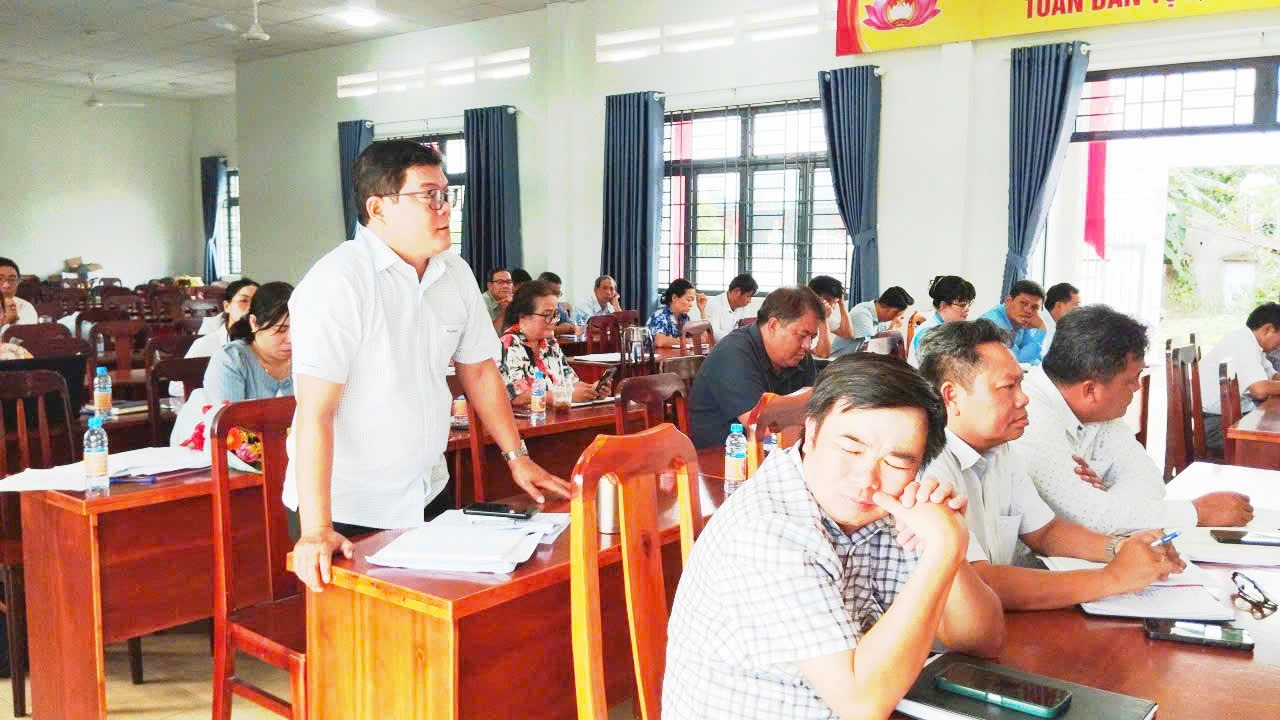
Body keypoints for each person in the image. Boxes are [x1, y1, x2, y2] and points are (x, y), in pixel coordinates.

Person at [287, 140, 567, 591]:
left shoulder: (454, 273)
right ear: (378, 208)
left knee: (437, 617)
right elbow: (315, 412)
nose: (445, 208)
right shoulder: (338, 282)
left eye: (446, 194)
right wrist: (317, 528)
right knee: (368, 635)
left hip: (428, 489)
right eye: (429, 196)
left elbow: (479, 371)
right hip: (349, 508)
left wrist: (518, 457)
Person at [664, 354, 1005, 719]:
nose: (867, 478)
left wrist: (949, 546)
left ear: (919, 465)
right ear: (811, 433)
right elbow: (862, 704)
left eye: (896, 461)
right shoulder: (768, 530)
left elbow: (982, 641)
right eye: (851, 449)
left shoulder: (895, 506)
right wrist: (941, 551)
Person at [917, 320, 1183, 610]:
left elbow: (1046, 532)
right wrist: (1114, 578)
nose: (1023, 398)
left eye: (1020, 383)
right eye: (1008, 387)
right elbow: (978, 582)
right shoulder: (928, 468)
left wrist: (1120, 547)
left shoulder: (1001, 450)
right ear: (952, 396)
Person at [1014, 305, 1253, 534]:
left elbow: (1147, 479)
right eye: (1132, 380)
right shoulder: (1028, 416)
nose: (1138, 387)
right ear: (1091, 390)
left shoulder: (1095, 409)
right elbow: (1094, 517)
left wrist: (1109, 504)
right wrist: (1196, 513)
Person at [688, 287, 822, 449]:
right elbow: (763, 429)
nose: (807, 345)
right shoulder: (733, 354)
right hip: (724, 457)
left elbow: (817, 410)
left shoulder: (800, 357)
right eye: (802, 335)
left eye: (812, 337)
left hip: (775, 454)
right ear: (773, 325)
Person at [498, 281, 610, 405]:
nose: (554, 321)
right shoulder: (509, 344)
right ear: (523, 315)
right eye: (547, 315)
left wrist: (591, 391)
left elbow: (570, 382)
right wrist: (565, 395)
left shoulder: (550, 343)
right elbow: (516, 397)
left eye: (555, 314)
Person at [1200, 303, 1280, 449]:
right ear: (1268, 329)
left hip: (1229, 416)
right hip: (1214, 425)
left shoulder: (1253, 344)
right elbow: (1260, 389)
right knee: (1273, 442)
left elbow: (1273, 376)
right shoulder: (1243, 342)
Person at [203, 282, 294, 403]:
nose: (291, 339)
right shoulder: (231, 360)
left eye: (298, 330)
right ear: (254, 322)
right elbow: (230, 414)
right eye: (280, 330)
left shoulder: (308, 357)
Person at [908, 275, 976, 367]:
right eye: (962, 305)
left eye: (969, 304)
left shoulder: (952, 327)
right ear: (943, 305)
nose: (967, 309)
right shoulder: (928, 334)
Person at [186, 278, 260, 359]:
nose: (251, 307)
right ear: (227, 306)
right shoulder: (204, 345)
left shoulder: (266, 344)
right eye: (244, 300)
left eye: (256, 302)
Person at [980, 280, 1047, 365]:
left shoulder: (1022, 320)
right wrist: (1042, 330)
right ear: (1008, 301)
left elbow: (1036, 359)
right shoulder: (994, 323)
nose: (1028, 310)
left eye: (1035, 307)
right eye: (1023, 303)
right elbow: (1017, 361)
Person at [647, 278, 706, 348]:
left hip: (674, 354)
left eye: (692, 301)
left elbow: (703, 339)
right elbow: (660, 341)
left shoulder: (684, 317)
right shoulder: (660, 315)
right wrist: (688, 341)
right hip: (656, 355)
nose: (691, 304)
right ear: (674, 297)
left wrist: (702, 310)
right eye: (688, 300)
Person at [808, 275, 854, 359]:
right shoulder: (802, 317)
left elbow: (847, 334)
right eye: (828, 300)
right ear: (812, 297)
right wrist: (823, 318)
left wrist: (841, 304)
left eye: (835, 302)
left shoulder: (824, 313)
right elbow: (823, 354)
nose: (832, 306)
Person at [703, 273, 757, 342]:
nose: (749, 301)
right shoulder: (714, 303)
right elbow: (713, 333)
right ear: (737, 291)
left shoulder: (744, 306)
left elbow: (747, 329)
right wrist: (738, 337)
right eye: (748, 296)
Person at [849, 286, 914, 340]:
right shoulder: (861, 314)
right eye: (899, 314)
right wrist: (893, 328)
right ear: (893, 311)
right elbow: (869, 347)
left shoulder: (879, 319)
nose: (896, 317)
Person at [1040, 282, 1080, 359]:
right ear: (1058, 305)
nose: (1079, 310)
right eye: (1076, 305)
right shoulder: (1039, 324)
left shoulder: (1061, 325)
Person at [0, 257, 36, 336]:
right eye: (0, 279)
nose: (6, 285)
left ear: (18, 282)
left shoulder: (26, 307)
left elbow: (27, 339)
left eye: (12, 279)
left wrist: (13, 323)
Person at [534, 271, 577, 335]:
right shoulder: (531, 305)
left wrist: (564, 328)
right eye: (553, 292)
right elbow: (537, 331)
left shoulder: (557, 306)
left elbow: (571, 326)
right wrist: (560, 329)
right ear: (540, 290)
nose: (556, 297)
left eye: (558, 293)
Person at [481, 268, 515, 333]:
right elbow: (486, 334)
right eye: (500, 282)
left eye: (509, 282)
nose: (505, 286)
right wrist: (502, 312)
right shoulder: (481, 303)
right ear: (489, 286)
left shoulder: (516, 299)